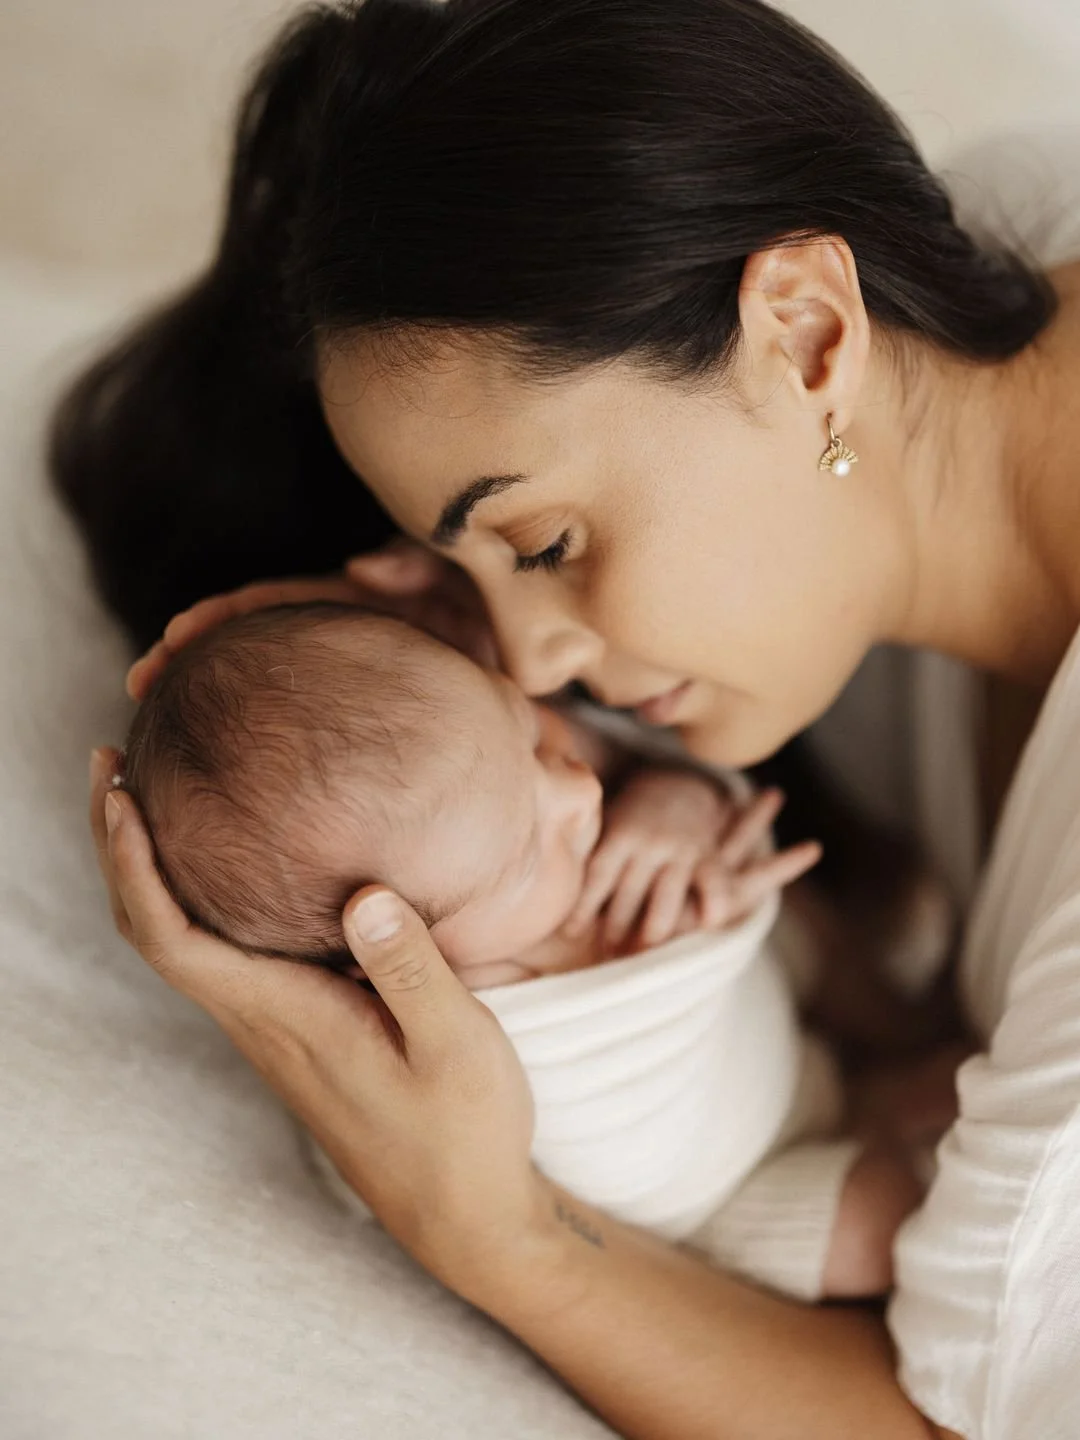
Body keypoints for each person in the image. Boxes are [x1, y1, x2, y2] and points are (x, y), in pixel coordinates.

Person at [73, 0, 1080, 1435]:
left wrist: (493, 1231)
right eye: (461, 565)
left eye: (542, 544)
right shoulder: (1011, 233)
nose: (535, 664)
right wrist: (410, 694)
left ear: (805, 332)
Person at [121, 599, 926, 1301]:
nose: (578, 793)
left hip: (775, 1008)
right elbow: (375, 1155)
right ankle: (885, 1105)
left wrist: (675, 802)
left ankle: (907, 1029)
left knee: (800, 926)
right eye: (530, 856)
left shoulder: (518, 818)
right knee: (874, 1230)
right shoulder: (434, 1039)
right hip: (729, 1198)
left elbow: (657, 770)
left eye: (538, 741)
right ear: (382, 950)